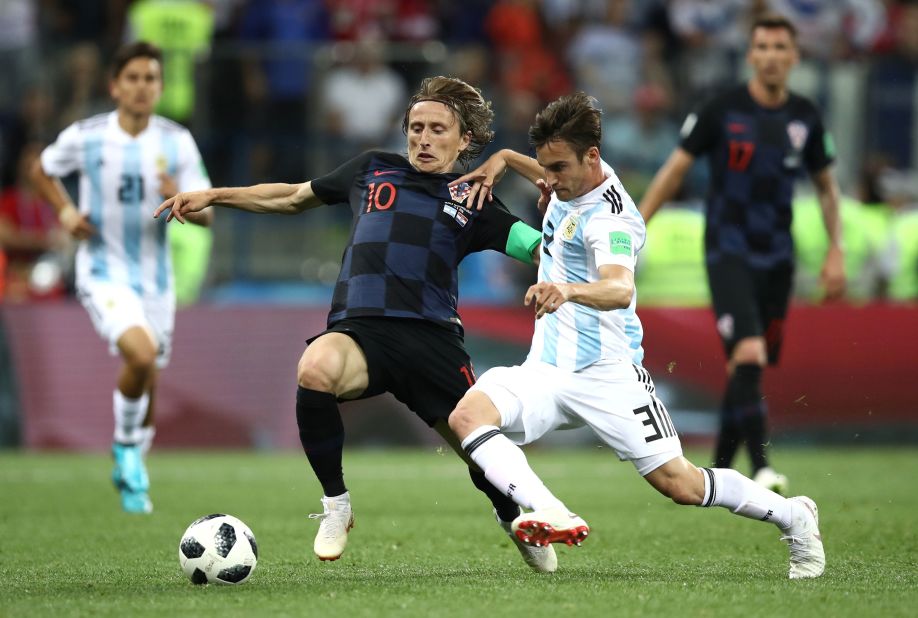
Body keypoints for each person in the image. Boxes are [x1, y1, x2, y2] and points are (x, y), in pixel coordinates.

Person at [154, 76, 556, 571]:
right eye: (415, 128)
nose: (423, 139)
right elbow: (291, 197)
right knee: (315, 368)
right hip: (361, 330)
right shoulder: (372, 169)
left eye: (437, 129)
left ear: (464, 139)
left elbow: (545, 246)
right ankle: (336, 506)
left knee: (477, 453)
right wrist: (216, 195)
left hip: (432, 341)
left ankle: (512, 517)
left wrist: (517, 165)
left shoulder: (476, 200)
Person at [446, 91, 826, 580]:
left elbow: (620, 288)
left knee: (680, 483)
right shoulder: (572, 179)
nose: (549, 181)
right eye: (546, 167)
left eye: (558, 169)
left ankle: (793, 514)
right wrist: (501, 159)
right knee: (468, 415)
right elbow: (545, 173)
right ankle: (548, 512)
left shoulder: (611, 221)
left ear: (592, 156)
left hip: (608, 376)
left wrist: (566, 289)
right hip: (545, 369)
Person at [637, 14, 846, 493]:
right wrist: (637, 224)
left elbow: (827, 187)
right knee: (748, 354)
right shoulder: (721, 110)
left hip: (777, 255)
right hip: (728, 250)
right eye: (763, 47)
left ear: (794, 57)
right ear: (750, 55)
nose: (771, 56)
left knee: (747, 365)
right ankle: (763, 466)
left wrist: (836, 251)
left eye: (780, 48)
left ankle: (720, 466)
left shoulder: (805, 117)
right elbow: (674, 171)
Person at [30, 41, 213, 514]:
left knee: (148, 370)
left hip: (156, 279)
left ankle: (132, 460)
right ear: (115, 86)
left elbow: (210, 217)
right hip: (103, 270)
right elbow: (41, 169)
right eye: (132, 78)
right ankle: (127, 450)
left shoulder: (176, 142)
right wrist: (65, 211)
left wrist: (185, 199)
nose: (141, 87)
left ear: (160, 87)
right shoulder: (88, 135)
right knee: (141, 352)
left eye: (150, 78)